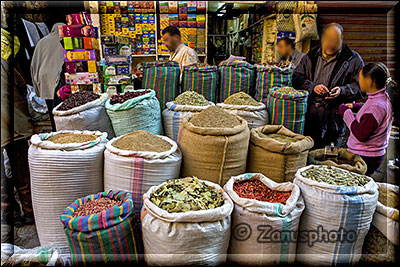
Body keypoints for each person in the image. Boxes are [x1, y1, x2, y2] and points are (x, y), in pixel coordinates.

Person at [292, 22, 364, 148]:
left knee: (330, 157)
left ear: (342, 39)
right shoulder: (311, 56)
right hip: (310, 116)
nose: (331, 43)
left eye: (335, 40)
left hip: (334, 119)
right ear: (322, 38)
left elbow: (361, 87)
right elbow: (297, 78)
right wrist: (313, 87)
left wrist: (342, 91)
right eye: (328, 39)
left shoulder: (353, 59)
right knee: (309, 152)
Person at [1, 27, 34, 229]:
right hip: (15, 123)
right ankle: (29, 212)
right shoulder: (5, 63)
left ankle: (9, 213)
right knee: (22, 170)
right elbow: (22, 87)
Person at [339, 63, 394, 176]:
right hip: (373, 155)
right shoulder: (383, 97)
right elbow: (373, 114)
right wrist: (356, 107)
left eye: (360, 78)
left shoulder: (376, 106)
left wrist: (346, 113)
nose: (359, 81)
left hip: (366, 156)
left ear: (369, 81)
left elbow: (361, 134)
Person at [31, 22, 65, 131]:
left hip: (44, 77)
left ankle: (55, 129)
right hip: (56, 78)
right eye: (62, 30)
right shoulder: (62, 42)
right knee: (60, 106)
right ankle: (61, 129)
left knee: (51, 107)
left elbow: (34, 64)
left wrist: (36, 84)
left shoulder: (42, 42)